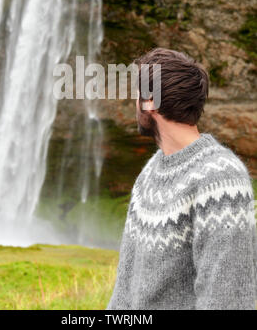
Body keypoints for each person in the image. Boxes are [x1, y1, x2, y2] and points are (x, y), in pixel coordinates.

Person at [106, 47, 257, 310]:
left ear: (150, 101)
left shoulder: (222, 180)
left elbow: (226, 298)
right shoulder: (150, 173)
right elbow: (125, 288)